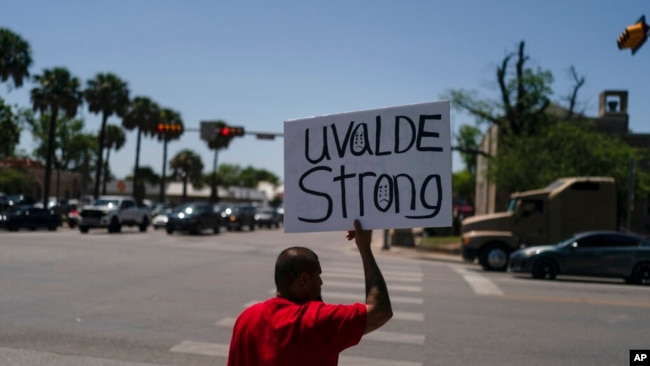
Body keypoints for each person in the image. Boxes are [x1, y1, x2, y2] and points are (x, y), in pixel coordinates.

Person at [227, 219, 393, 366]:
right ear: (304, 279)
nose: (321, 282)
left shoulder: (247, 318)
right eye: (318, 275)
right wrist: (364, 249)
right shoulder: (315, 320)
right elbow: (380, 311)